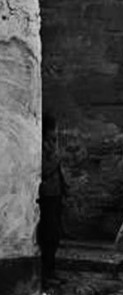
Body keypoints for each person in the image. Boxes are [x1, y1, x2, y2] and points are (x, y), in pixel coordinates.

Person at [38, 114, 68, 283]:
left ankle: (51, 271)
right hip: (47, 195)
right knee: (49, 235)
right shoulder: (42, 146)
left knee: (55, 235)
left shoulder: (51, 144)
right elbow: (44, 170)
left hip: (55, 194)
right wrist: (56, 158)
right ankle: (46, 273)